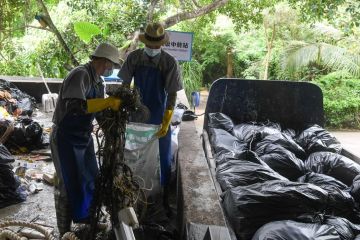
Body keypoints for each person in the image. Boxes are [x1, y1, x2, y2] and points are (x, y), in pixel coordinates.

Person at [50, 43, 121, 236]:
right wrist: (107, 102)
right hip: (65, 137)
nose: (112, 68)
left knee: (91, 177)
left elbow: (98, 114)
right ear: (105, 61)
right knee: (67, 182)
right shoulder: (80, 74)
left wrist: (113, 134)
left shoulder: (99, 82)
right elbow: (76, 107)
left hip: (83, 137)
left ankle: (86, 218)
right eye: (111, 64)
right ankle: (64, 230)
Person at [118, 22, 183, 213]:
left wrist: (167, 118)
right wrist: (121, 108)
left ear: (161, 44)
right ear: (145, 42)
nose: (154, 49)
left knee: (161, 158)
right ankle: (131, 193)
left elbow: (172, 93)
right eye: (151, 45)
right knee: (132, 155)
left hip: (158, 116)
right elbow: (124, 85)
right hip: (135, 114)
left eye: (157, 46)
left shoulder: (169, 62)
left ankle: (159, 198)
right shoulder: (135, 58)